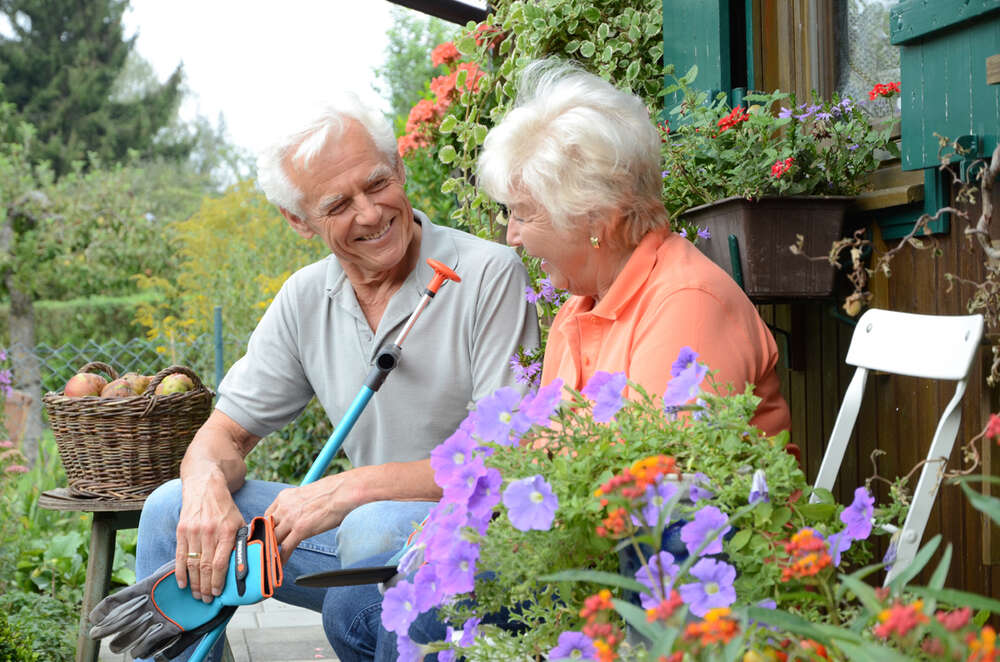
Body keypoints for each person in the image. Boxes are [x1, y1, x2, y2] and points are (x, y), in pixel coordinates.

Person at [324, 59, 792, 661]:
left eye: (523, 212)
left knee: (404, 618)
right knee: (354, 604)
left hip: (675, 578)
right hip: (586, 552)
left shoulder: (685, 303)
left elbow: (653, 493)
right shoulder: (581, 305)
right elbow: (544, 450)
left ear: (593, 219)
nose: (511, 235)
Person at [131, 93, 540, 661]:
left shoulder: (488, 274)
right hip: (358, 544)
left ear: (399, 168)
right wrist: (204, 491)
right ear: (299, 221)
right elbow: (224, 434)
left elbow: (505, 459)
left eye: (377, 184)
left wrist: (350, 489)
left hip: (473, 542)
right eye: (338, 204)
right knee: (171, 508)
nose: (370, 213)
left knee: (371, 528)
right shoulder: (304, 298)